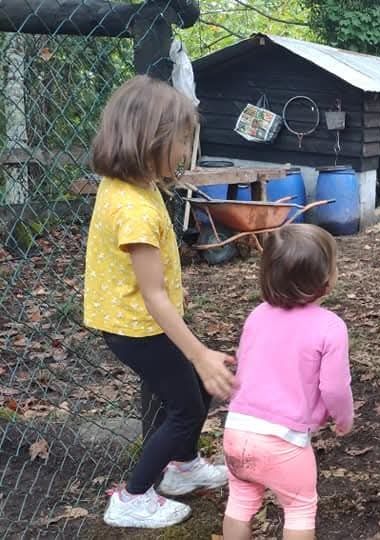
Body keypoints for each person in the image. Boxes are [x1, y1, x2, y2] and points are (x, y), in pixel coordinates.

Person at [83, 75, 237, 528]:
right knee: (185, 405)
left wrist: (175, 292)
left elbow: (150, 278)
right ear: (150, 139)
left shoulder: (132, 187)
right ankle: (132, 497)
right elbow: (152, 297)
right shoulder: (133, 207)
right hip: (137, 327)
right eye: (182, 139)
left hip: (138, 318)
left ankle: (184, 468)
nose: (186, 150)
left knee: (196, 387)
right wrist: (201, 352)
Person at [222, 224, 354, 540]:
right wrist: (343, 419)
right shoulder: (330, 327)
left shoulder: (256, 315)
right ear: (327, 279)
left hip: (236, 432)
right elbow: (334, 388)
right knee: (299, 509)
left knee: (240, 501)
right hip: (283, 443)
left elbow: (246, 362)